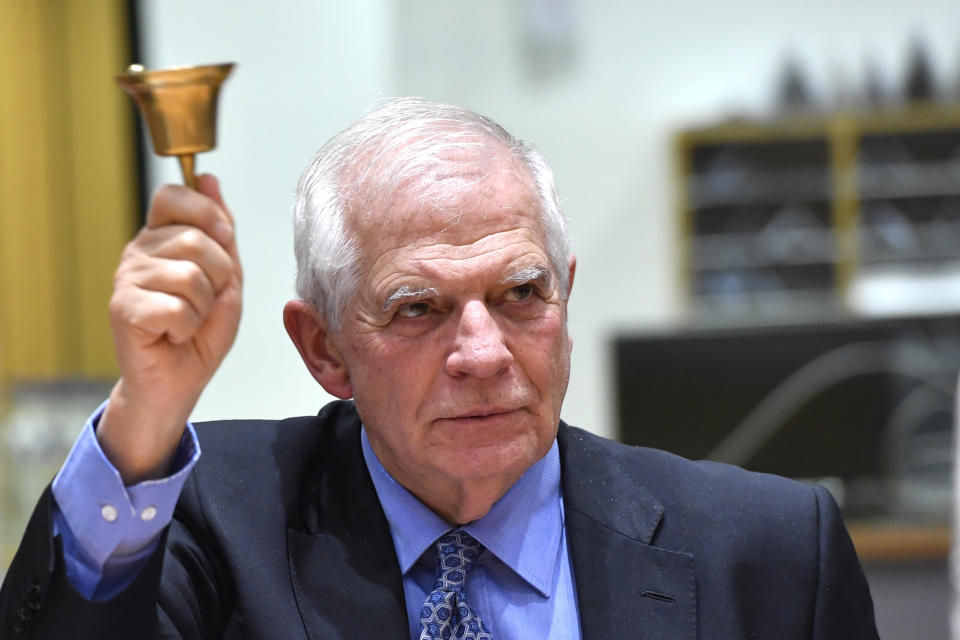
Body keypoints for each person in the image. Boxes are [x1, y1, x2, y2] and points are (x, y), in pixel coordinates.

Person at [1, 98, 878, 639]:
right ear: (324, 350)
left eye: (521, 293)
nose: (485, 353)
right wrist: (146, 410)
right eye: (418, 308)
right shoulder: (213, 521)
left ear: (564, 299)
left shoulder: (769, 551)